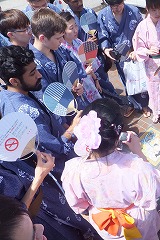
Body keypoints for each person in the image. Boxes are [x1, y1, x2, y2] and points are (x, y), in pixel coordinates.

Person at [61, 98, 160, 239]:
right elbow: (156, 190)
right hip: (137, 221)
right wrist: (138, 151)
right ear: (118, 134)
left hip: (105, 223)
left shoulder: (72, 170)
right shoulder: (137, 167)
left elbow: (79, 206)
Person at [0, 45, 80, 174]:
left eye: (36, 69)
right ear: (14, 81)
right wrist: (72, 128)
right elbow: (52, 150)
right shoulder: (24, 112)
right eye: (32, 73)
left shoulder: (11, 92)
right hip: (64, 169)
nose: (39, 75)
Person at [97, 0, 149, 117]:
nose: (117, 8)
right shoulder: (103, 16)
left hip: (135, 52)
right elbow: (102, 35)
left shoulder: (134, 11)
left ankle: (144, 105)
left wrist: (137, 50)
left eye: (119, 4)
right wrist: (106, 49)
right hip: (119, 55)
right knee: (127, 81)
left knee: (141, 79)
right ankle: (132, 104)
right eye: (113, 6)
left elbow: (142, 32)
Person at [59, 11, 123, 105]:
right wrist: (85, 73)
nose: (75, 30)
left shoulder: (77, 41)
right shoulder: (63, 50)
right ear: (62, 32)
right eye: (71, 28)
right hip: (81, 89)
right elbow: (69, 78)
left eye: (76, 26)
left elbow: (88, 63)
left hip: (90, 82)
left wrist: (96, 80)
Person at [30, 8, 87, 108]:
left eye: (62, 36)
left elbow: (76, 68)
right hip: (62, 113)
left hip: (79, 102)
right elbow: (46, 99)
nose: (62, 41)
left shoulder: (61, 50)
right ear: (42, 38)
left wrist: (78, 83)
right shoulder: (32, 65)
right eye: (58, 38)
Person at [133, 0, 160, 124]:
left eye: (159, 8)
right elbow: (138, 46)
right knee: (152, 87)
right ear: (147, 9)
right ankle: (156, 111)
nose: (157, 13)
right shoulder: (142, 26)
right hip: (150, 62)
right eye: (153, 10)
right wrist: (147, 51)